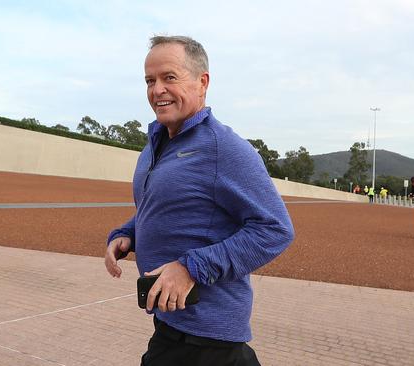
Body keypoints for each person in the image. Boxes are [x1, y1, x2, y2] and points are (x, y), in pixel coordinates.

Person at [104, 35, 294, 366]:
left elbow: (275, 229)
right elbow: (163, 207)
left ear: (202, 82)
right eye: (150, 80)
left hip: (205, 334)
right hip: (171, 320)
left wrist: (191, 267)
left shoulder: (225, 148)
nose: (157, 89)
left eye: (169, 77)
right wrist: (128, 234)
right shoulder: (155, 144)